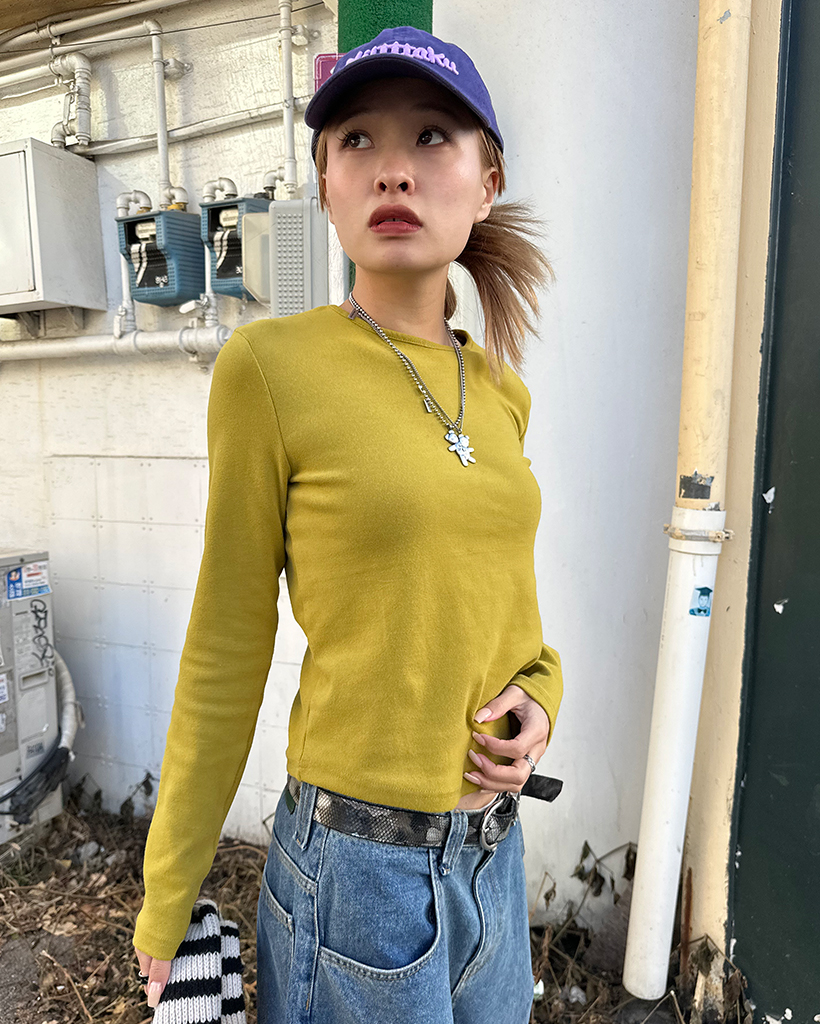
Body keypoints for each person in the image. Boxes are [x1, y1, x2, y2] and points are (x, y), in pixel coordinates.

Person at [132, 24, 564, 1024]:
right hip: (355, 882)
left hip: (492, 863)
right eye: (358, 141)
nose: (392, 170)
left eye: (431, 137)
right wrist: (169, 894)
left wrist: (543, 694)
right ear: (326, 186)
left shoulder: (500, 391)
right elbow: (226, 643)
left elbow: (505, 611)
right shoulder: (269, 370)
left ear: (487, 182)